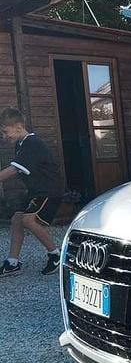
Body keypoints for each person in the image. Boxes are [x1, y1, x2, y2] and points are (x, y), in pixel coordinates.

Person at [0, 108, 65, 276]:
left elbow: (14, 170)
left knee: (28, 220)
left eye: (6, 132)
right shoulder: (21, 144)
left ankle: (56, 255)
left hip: (49, 190)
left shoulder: (32, 143)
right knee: (16, 219)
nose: (4, 136)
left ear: (19, 126)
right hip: (35, 190)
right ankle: (13, 262)